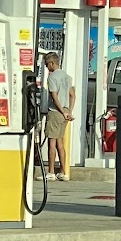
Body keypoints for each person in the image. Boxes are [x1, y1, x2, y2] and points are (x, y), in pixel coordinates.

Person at [42, 52, 75, 182]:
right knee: (60, 143)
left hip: (55, 112)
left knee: (52, 142)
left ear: (51, 63)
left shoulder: (52, 77)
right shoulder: (67, 77)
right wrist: (69, 111)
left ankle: (51, 172)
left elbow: (54, 97)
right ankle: (63, 172)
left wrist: (61, 111)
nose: (46, 67)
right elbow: (72, 95)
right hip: (65, 111)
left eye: (47, 64)